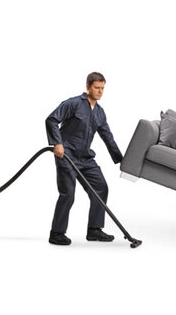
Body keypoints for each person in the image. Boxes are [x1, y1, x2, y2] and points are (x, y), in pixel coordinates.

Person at [45, 72, 123, 246]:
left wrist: (120, 160)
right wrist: (57, 143)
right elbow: (51, 119)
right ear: (87, 86)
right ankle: (56, 233)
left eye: (102, 88)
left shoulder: (100, 113)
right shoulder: (73, 103)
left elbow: (107, 137)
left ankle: (94, 230)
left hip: (86, 158)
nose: (100, 91)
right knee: (68, 194)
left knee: (101, 188)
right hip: (67, 155)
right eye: (96, 88)